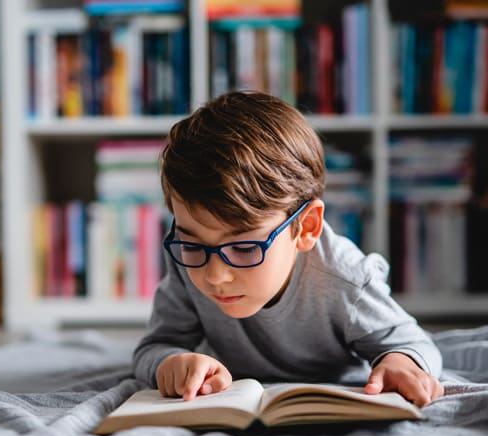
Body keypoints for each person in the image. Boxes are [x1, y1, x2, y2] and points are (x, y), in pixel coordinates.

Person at [132, 91, 444, 407]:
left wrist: (401, 363)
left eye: (243, 247)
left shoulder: (345, 280)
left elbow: (414, 343)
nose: (215, 275)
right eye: (192, 243)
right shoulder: (190, 263)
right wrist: (169, 363)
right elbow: (155, 346)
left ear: (306, 227)